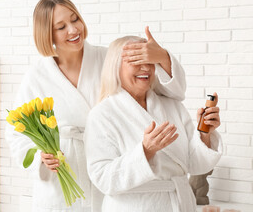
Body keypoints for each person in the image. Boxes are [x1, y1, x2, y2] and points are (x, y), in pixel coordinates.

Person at [5, 0, 187, 212]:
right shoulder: (37, 76)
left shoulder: (109, 57)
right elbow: (16, 132)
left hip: (111, 167)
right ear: (47, 34)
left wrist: (162, 58)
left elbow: (168, 92)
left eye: (75, 19)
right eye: (61, 27)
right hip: (64, 176)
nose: (73, 30)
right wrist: (40, 157)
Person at [84, 36, 222, 212]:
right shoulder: (102, 115)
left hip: (180, 204)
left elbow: (196, 164)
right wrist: (145, 152)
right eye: (136, 61)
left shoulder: (172, 106)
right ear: (115, 67)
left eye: (150, 61)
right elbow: (102, 178)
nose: (146, 68)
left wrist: (205, 133)